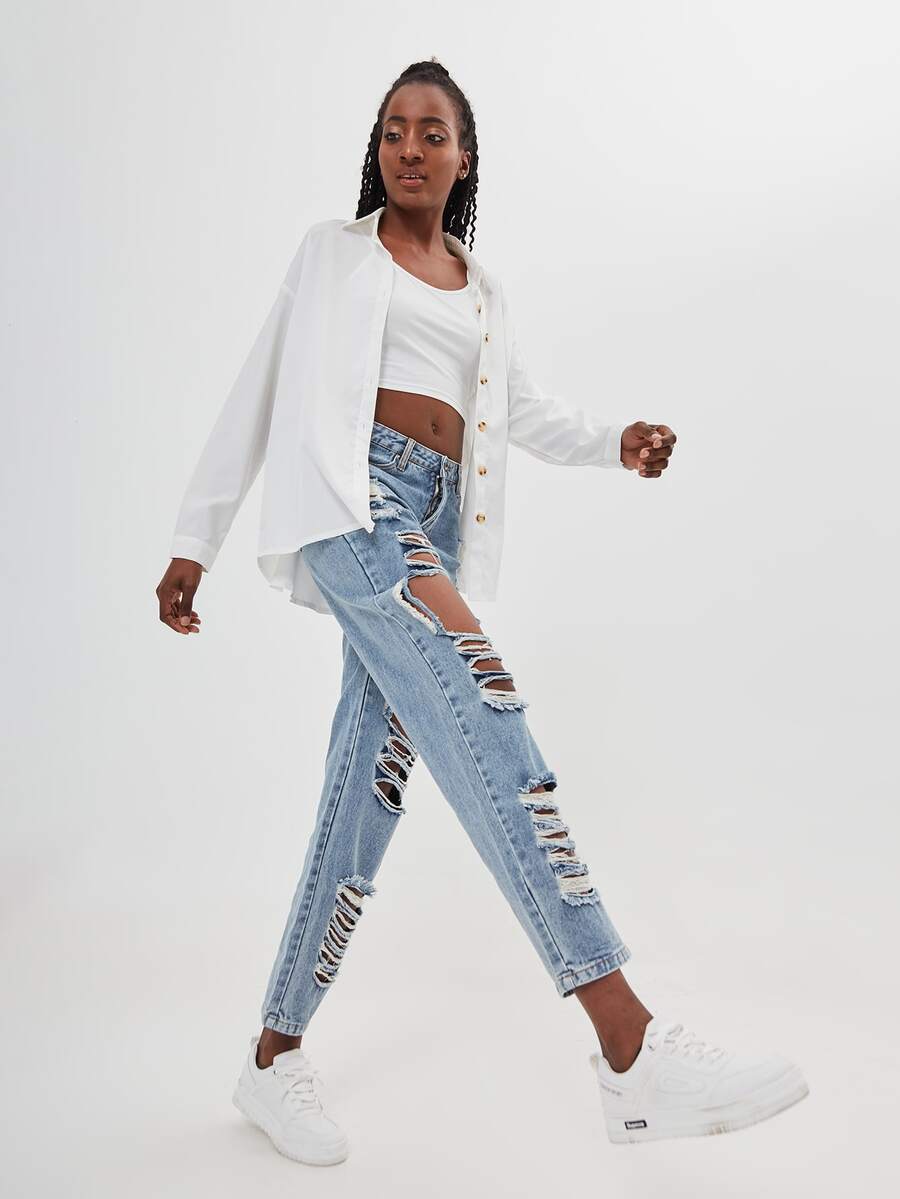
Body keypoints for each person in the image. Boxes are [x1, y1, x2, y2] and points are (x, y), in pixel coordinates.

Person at [157, 58, 808, 1166]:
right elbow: (259, 384)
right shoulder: (332, 253)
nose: (410, 147)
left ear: (464, 158)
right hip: (357, 505)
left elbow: (520, 410)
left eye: (433, 132)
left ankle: (272, 1053)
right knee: (486, 707)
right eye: (393, 129)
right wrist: (193, 538)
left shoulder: (484, 290)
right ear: (377, 148)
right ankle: (628, 1042)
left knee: (366, 789)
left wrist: (613, 442)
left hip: (435, 524)